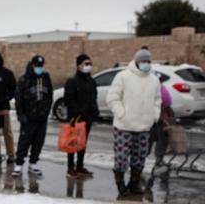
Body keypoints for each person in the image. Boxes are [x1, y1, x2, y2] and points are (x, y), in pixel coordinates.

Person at [106, 48, 161, 196]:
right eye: (143, 61)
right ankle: (120, 183)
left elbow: (157, 99)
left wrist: (154, 115)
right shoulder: (123, 76)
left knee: (140, 157)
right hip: (124, 126)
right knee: (121, 157)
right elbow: (112, 98)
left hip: (144, 126)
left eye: (148, 61)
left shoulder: (154, 79)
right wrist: (122, 114)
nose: (146, 63)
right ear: (137, 61)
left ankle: (134, 184)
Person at [12, 55, 53, 177]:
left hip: (42, 118)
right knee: (24, 142)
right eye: (37, 66)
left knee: (38, 142)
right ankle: (18, 164)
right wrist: (21, 115)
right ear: (33, 65)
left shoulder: (46, 78)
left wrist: (46, 112)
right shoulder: (24, 79)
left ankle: (33, 164)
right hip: (28, 118)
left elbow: (49, 96)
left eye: (41, 66)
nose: (39, 68)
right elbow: (18, 99)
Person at [63, 53, 99, 179]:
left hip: (88, 119)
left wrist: (95, 112)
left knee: (82, 143)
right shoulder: (72, 81)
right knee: (73, 143)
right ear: (79, 66)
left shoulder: (91, 81)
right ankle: (70, 168)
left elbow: (94, 98)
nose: (89, 66)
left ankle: (80, 166)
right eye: (86, 64)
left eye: (90, 64)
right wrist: (79, 113)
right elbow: (69, 100)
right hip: (75, 118)